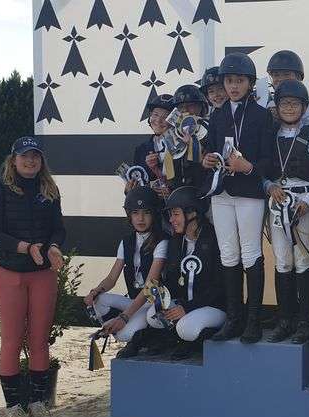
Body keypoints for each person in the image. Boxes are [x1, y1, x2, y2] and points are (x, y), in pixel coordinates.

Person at [0, 136, 65, 417]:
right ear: (13, 159)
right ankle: (13, 408)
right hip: (10, 273)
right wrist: (25, 248)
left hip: (43, 274)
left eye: (35, 156)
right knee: (12, 341)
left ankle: (38, 403)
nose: (30, 161)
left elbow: (58, 228)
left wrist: (53, 246)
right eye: (24, 156)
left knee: (39, 340)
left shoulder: (50, 189)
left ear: (41, 160)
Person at [200, 52, 274, 344]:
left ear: (250, 83)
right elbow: (210, 150)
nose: (233, 86)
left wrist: (249, 167)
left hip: (250, 194)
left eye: (239, 81)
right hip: (221, 193)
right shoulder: (217, 115)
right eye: (229, 81)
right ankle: (234, 318)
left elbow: (270, 160)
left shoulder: (261, 116)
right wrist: (206, 159)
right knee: (228, 254)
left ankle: (253, 320)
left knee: (250, 253)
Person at [261, 80, 309, 344]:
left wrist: (308, 201)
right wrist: (269, 186)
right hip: (278, 202)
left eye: (295, 103)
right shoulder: (270, 137)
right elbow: (262, 172)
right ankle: (284, 319)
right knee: (282, 261)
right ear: (276, 107)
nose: (289, 108)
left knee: (302, 260)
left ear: (304, 107)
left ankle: (304, 321)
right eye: (284, 103)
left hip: (302, 203)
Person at [83, 186, 168, 358]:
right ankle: (127, 328)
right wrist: (95, 291)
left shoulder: (162, 241)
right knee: (100, 299)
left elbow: (150, 286)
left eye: (146, 213)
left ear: (154, 214)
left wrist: (124, 317)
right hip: (135, 301)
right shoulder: (127, 241)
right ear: (129, 215)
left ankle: (150, 336)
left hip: (154, 301)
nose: (141, 218)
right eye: (135, 213)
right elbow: (111, 278)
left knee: (124, 333)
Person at [155, 186, 227, 360]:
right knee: (152, 315)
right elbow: (172, 281)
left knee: (185, 328)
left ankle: (198, 339)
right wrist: (162, 301)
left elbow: (219, 288)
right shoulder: (176, 242)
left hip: (214, 307)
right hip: (187, 306)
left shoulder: (215, 239)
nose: (171, 220)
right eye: (170, 215)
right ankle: (177, 337)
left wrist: (187, 308)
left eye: (175, 214)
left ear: (192, 213)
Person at [258, 50, 309, 136]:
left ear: (298, 78)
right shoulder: (270, 105)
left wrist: (285, 118)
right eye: (276, 75)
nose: (280, 79)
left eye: (286, 74)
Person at [130, 93, 176, 195]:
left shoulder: (182, 147)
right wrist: (130, 190)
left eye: (166, 117)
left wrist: (172, 191)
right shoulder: (141, 149)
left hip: (176, 203)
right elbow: (137, 183)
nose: (158, 121)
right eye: (155, 115)